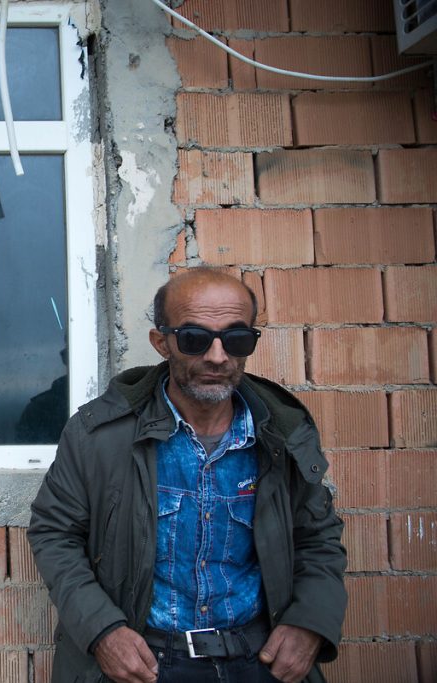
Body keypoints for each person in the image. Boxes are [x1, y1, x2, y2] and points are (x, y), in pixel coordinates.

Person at [28, 268, 346, 683]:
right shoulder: (100, 435)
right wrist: (103, 630)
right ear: (162, 342)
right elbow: (54, 533)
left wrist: (310, 622)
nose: (217, 357)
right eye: (195, 338)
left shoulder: (282, 433)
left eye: (236, 339)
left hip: (261, 657)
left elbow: (317, 538)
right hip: (145, 661)